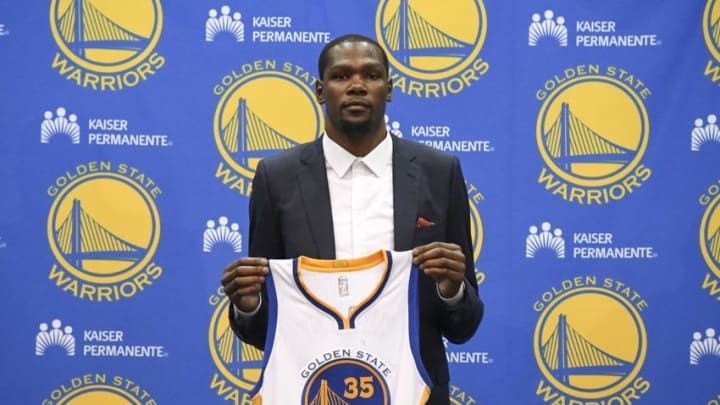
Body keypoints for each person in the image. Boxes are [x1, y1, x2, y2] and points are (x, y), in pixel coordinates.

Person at [221, 33, 484, 404]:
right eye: (342, 76)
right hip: (310, 389)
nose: (357, 86)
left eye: (371, 76)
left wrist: (452, 290)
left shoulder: (439, 173)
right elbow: (264, 329)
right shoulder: (275, 178)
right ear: (319, 89)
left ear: (389, 89)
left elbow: (463, 326)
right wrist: (249, 305)